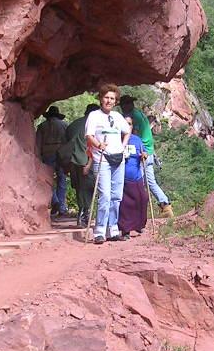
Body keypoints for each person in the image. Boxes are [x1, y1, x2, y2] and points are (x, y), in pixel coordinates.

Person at [85, 85, 130, 244]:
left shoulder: (118, 117)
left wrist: (123, 146)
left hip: (118, 158)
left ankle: (113, 228)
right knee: (105, 195)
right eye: (106, 97)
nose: (109, 101)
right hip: (102, 158)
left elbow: (127, 130)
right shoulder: (94, 116)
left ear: (115, 101)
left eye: (112, 98)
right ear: (101, 98)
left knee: (116, 195)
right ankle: (99, 231)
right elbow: (89, 135)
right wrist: (98, 145)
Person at [118, 95, 174, 218]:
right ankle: (165, 204)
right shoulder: (138, 114)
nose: (123, 108)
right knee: (150, 182)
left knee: (137, 182)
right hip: (148, 151)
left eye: (123, 105)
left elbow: (134, 136)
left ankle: (136, 210)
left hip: (140, 152)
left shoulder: (133, 117)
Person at [63, 103, 99, 226]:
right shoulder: (93, 126)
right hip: (87, 161)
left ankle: (81, 213)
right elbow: (93, 146)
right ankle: (85, 215)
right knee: (88, 189)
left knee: (79, 188)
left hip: (73, 161)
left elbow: (66, 143)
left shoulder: (73, 124)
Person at [117, 115, 149, 238]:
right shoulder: (116, 139)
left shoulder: (137, 140)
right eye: (125, 123)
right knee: (125, 204)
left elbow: (144, 152)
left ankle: (139, 225)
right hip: (121, 177)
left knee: (143, 199)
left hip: (136, 176)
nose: (127, 126)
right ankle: (125, 230)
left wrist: (144, 155)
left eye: (129, 124)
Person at [35, 105, 69, 216]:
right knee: (62, 179)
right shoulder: (64, 125)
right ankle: (62, 207)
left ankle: (55, 201)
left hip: (47, 153)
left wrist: (38, 156)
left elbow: (38, 142)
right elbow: (68, 140)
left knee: (48, 180)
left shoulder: (42, 126)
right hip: (61, 153)